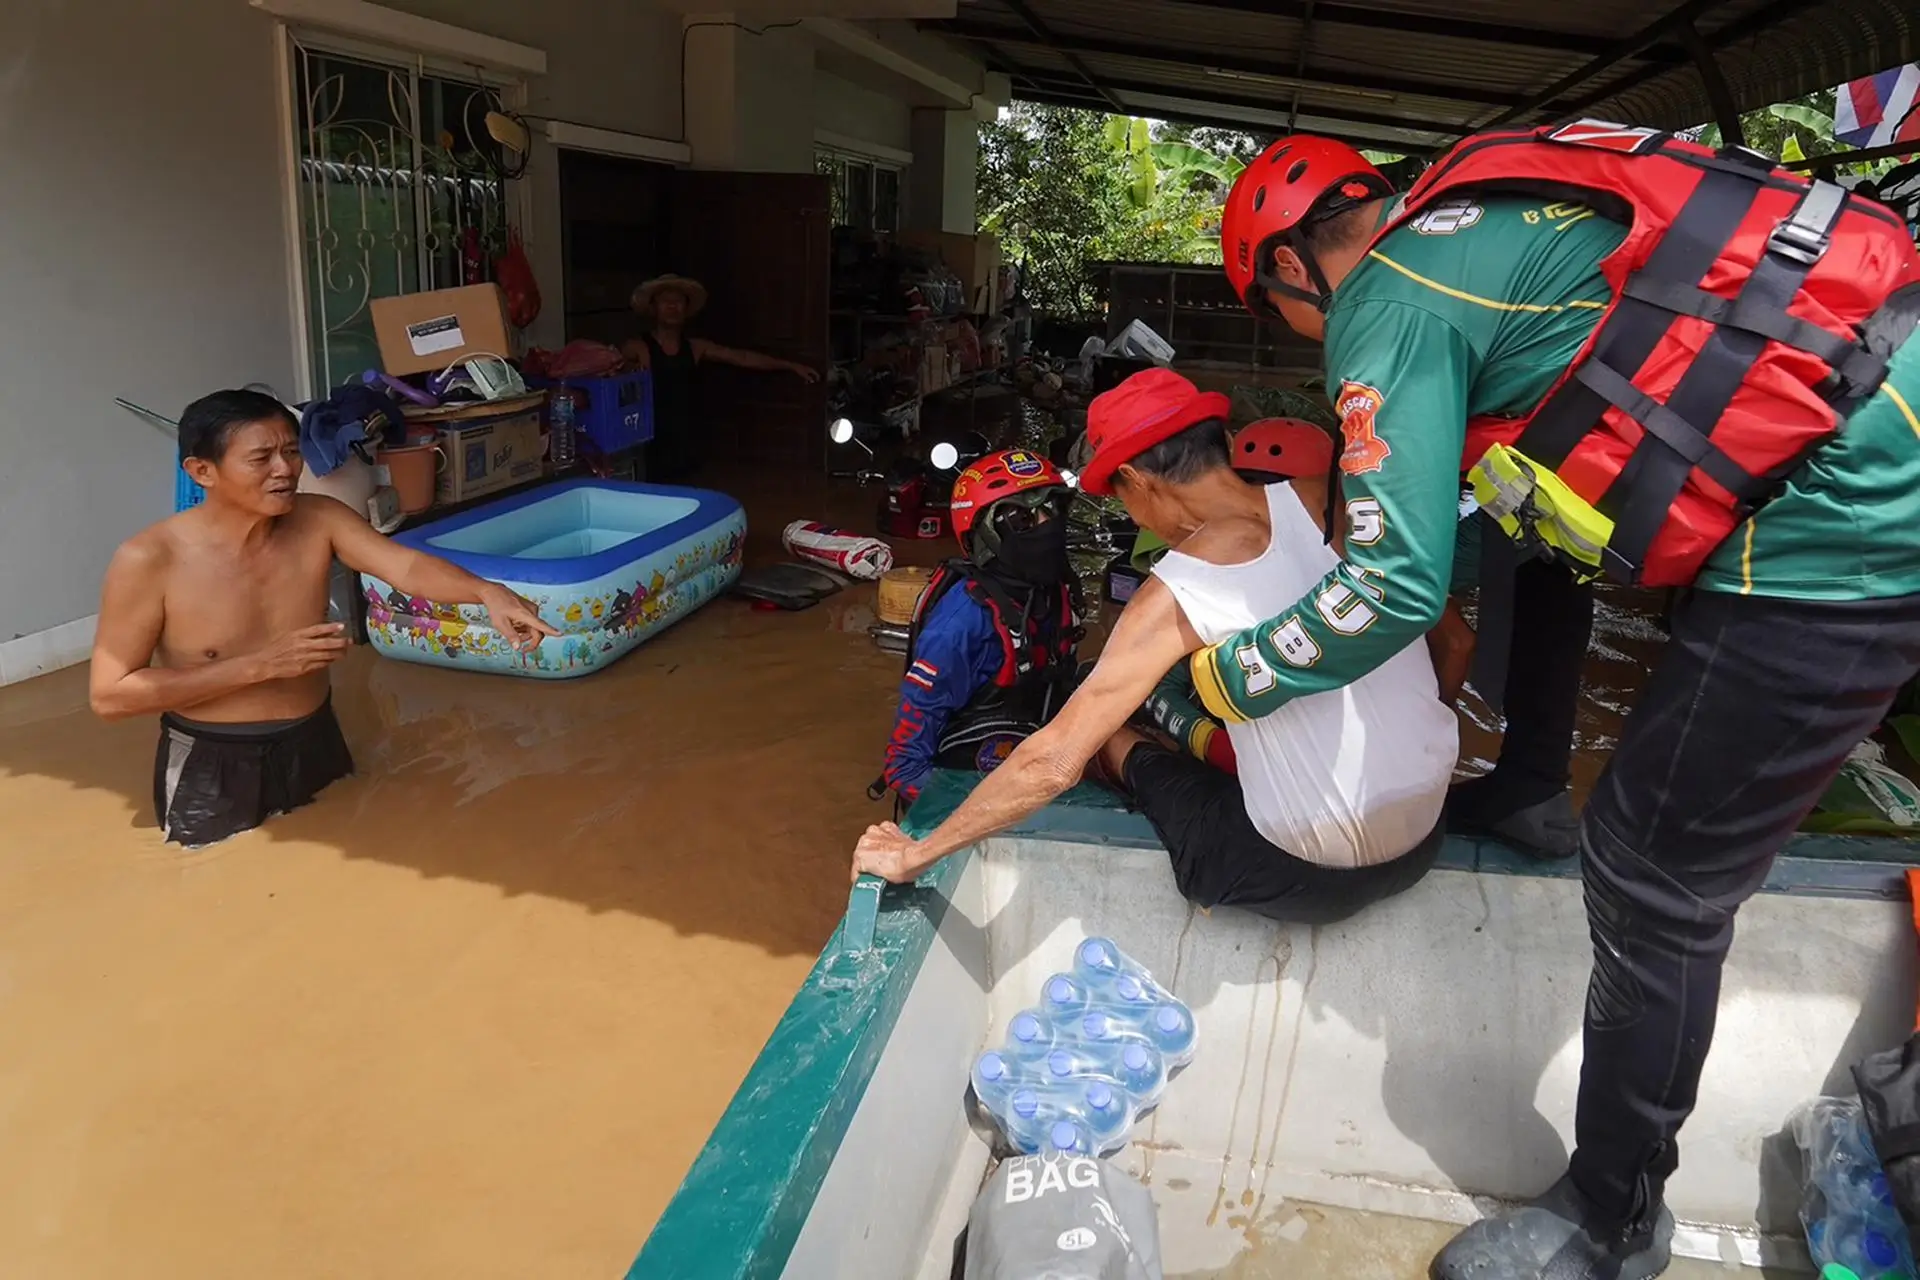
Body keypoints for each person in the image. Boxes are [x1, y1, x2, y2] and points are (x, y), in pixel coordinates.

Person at [1190, 129, 1920, 1278]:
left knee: (1650, 866)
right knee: (1548, 549)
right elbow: (1541, 523)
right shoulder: (1477, 222)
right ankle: (1531, 786)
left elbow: (1388, 587)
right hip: (1874, 385)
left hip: (1850, 511)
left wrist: (1227, 677)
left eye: (1273, 306)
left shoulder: (1385, 303)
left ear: (1288, 271)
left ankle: (1612, 1216)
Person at [854, 369, 1465, 925]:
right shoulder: (1332, 498)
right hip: (1427, 835)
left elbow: (1053, 761)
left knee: (1119, 741)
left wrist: (916, 854)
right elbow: (1451, 633)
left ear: (1137, 482)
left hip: (1297, 877)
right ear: (1218, 441)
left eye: (1121, 499)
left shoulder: (1177, 589)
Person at [89, 389, 558, 848]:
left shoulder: (319, 518)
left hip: (314, 740)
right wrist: (260, 666)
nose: (285, 470)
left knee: (342, 852)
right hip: (213, 763)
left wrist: (485, 592)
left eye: (291, 452)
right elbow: (111, 696)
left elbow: (406, 567)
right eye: (261, 458)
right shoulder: (149, 558)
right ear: (201, 471)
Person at [875, 448, 1080, 805]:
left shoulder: (1058, 591)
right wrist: (986, 815)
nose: (1047, 525)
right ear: (985, 537)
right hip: (971, 783)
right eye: (1023, 520)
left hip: (1033, 757)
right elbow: (903, 767)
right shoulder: (958, 629)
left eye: (1054, 509)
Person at [620, 273, 820, 482]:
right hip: (649, 439)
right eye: (665, 301)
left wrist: (790, 365)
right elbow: (616, 381)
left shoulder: (696, 347)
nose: (672, 306)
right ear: (654, 308)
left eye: (678, 301)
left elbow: (742, 357)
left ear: (686, 309)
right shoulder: (637, 348)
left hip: (685, 437)